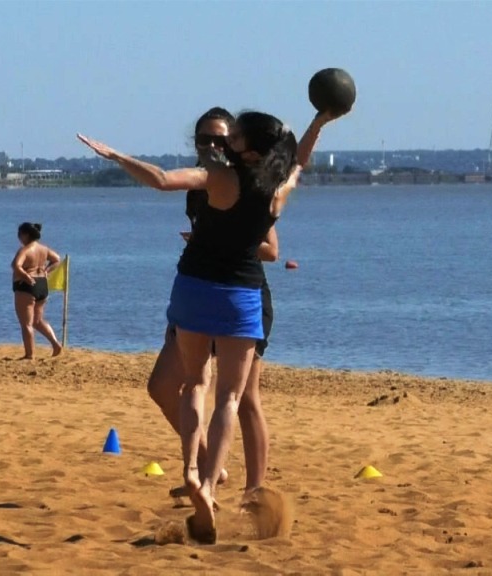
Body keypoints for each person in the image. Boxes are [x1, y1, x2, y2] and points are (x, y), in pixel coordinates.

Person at [78, 108, 339, 543]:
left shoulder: (219, 177)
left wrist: (119, 156)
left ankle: (192, 472)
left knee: (195, 384)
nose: (225, 142)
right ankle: (211, 484)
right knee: (230, 398)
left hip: (194, 289)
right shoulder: (278, 189)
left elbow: (161, 179)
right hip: (239, 297)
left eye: (233, 136)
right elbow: (300, 160)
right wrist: (319, 122)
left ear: (248, 149)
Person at [146, 108, 278, 501]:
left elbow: (271, 250)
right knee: (163, 386)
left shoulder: (249, 184)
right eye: (205, 140)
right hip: (200, 293)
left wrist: (221, 242)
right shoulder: (196, 186)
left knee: (244, 398)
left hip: (242, 296)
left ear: (235, 145)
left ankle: (255, 491)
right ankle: (210, 470)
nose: (213, 147)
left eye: (222, 140)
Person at [11, 222, 63, 360]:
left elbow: (16, 265)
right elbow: (57, 259)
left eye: (19, 234)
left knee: (27, 323)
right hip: (41, 285)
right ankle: (56, 345)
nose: (18, 237)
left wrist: (26, 276)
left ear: (26, 235)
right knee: (37, 321)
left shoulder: (25, 250)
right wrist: (46, 271)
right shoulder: (43, 249)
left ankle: (30, 355)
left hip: (27, 286)